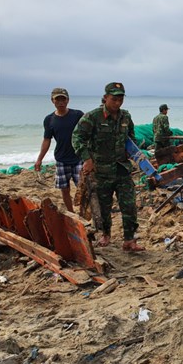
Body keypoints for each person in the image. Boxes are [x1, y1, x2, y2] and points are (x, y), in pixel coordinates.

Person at [72, 82, 144, 252]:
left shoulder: (125, 117)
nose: (117, 103)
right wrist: (87, 159)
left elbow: (131, 138)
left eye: (120, 99)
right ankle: (106, 234)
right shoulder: (92, 117)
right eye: (114, 99)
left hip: (122, 169)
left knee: (129, 205)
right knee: (104, 206)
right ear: (105, 98)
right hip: (101, 171)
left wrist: (132, 152)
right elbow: (77, 138)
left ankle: (129, 240)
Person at [34, 88, 84, 212]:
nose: (61, 102)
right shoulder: (49, 119)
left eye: (63, 99)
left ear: (68, 100)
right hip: (61, 159)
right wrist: (39, 159)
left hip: (79, 158)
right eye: (58, 99)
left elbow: (88, 133)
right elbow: (47, 140)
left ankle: (84, 211)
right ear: (52, 101)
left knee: (83, 188)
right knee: (64, 189)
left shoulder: (77, 115)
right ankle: (71, 212)